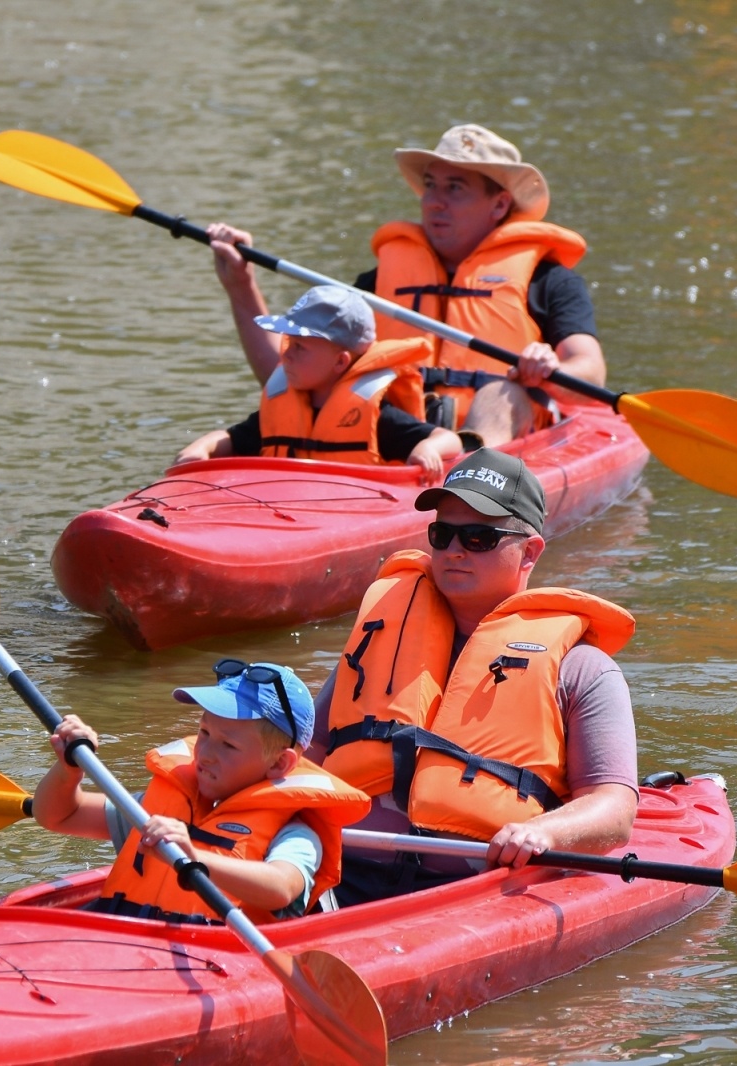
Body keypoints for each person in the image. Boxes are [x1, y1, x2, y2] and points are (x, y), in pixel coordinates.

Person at [307, 449, 639, 907]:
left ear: (530, 551)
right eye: (441, 535)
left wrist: (543, 831)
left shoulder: (583, 668)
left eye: (480, 537)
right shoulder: (382, 635)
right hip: (340, 872)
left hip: (474, 897)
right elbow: (309, 753)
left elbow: (615, 810)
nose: (454, 551)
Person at [207, 124, 606, 449]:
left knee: (499, 394)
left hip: (504, 434)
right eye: (431, 185)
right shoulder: (379, 282)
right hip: (405, 437)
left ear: (500, 205)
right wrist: (241, 285)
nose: (433, 201)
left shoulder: (549, 280)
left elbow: (590, 374)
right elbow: (290, 371)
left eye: (455, 188)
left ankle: (470, 487)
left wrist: (549, 368)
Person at [32, 660, 371, 923]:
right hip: (125, 946)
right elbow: (59, 814)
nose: (205, 752)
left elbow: (281, 886)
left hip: (212, 963)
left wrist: (193, 856)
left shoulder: (295, 834)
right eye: (205, 732)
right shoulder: (164, 807)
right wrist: (68, 771)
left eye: (228, 745)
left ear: (279, 765)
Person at [173, 285, 463, 477]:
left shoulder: (377, 415)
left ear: (340, 362)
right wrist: (201, 448)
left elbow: (449, 439)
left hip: (353, 512)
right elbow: (232, 438)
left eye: (300, 347)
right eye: (288, 344)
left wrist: (428, 449)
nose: (286, 356)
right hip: (288, 509)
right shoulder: (282, 406)